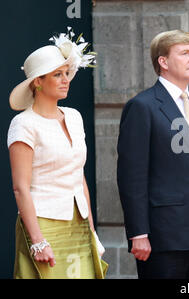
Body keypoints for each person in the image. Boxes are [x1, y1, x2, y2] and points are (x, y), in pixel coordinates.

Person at [117, 29, 189, 279]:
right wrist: (138, 233)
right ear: (163, 62)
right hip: (162, 237)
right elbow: (131, 175)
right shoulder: (142, 106)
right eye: (185, 53)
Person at [7, 29, 107, 279]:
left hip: (79, 222)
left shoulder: (74, 116)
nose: (66, 80)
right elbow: (21, 187)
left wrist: (92, 231)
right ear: (37, 81)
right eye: (57, 74)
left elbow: (78, 176)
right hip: (43, 222)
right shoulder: (23, 123)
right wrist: (37, 240)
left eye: (67, 73)